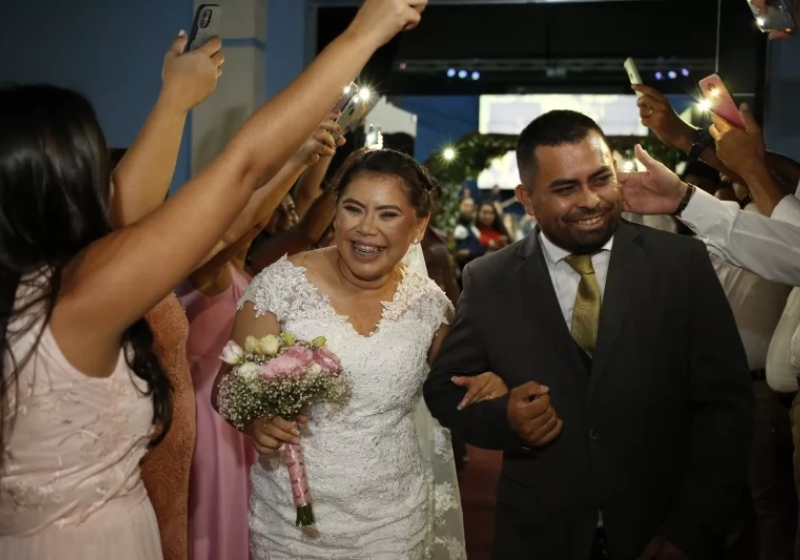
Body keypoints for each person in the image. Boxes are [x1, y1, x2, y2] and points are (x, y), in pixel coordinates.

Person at [0, 0, 430, 557]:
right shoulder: (80, 299)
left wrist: (176, 100)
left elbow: (129, 210)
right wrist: (363, 32)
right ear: (65, 189)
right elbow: (242, 165)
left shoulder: (35, 290)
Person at [424, 110, 754, 560]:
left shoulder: (681, 263)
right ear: (527, 197)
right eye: (565, 188)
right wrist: (507, 419)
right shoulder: (489, 278)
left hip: (663, 528)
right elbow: (444, 389)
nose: (591, 199)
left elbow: (726, 407)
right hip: (540, 533)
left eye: (601, 179)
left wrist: (689, 531)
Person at [213, 149, 503, 559]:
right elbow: (224, 390)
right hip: (291, 526)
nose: (367, 229)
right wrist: (258, 421)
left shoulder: (429, 306)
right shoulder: (281, 287)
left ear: (419, 225)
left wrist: (490, 383)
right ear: (335, 213)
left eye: (387, 214)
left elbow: (457, 388)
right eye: (353, 209)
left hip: (394, 523)